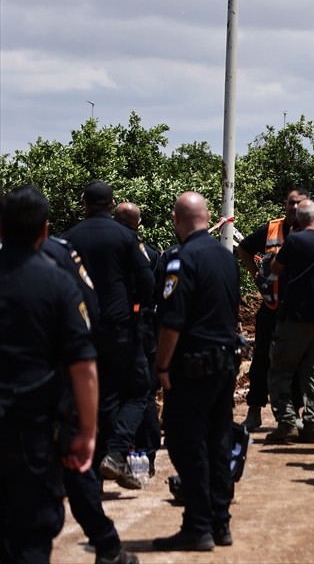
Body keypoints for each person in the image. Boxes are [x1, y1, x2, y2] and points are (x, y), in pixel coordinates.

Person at [0, 186, 100, 564]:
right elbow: (83, 366)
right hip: (33, 433)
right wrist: (87, 432)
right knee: (31, 538)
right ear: (45, 229)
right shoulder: (57, 283)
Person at [40, 234, 138, 564]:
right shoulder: (59, 254)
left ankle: (106, 543)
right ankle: (107, 545)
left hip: (37, 387)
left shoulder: (58, 250)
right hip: (53, 383)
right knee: (76, 467)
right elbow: (89, 310)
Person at [153, 192, 240, 552]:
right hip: (225, 364)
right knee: (219, 443)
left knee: (187, 444)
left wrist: (161, 365)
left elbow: (172, 322)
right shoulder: (225, 256)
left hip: (193, 368)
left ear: (177, 219)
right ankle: (220, 523)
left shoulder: (181, 259)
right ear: (207, 217)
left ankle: (198, 526)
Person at [60, 181, 154, 487]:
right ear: (112, 204)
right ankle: (116, 451)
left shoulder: (68, 238)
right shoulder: (126, 236)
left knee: (103, 396)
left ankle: (101, 469)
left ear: (84, 204)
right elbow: (146, 280)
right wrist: (136, 307)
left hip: (83, 329)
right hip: (121, 326)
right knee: (138, 391)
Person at [235, 188, 308, 431]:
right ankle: (254, 410)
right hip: (272, 306)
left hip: (300, 310)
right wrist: (257, 276)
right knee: (261, 359)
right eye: (290, 203)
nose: (293, 208)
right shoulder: (271, 228)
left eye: (299, 204)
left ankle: (294, 412)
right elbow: (243, 248)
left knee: (297, 361)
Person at [264, 199, 314, 444]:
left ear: (298, 220)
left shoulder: (294, 240)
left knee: (280, 369)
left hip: (294, 318)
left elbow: (276, 268)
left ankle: (287, 422)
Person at [113, 202, 163, 478]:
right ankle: (146, 458)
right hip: (144, 328)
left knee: (112, 393)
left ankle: (114, 452)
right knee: (144, 393)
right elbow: (158, 295)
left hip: (110, 327)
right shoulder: (150, 253)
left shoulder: (107, 252)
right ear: (139, 225)